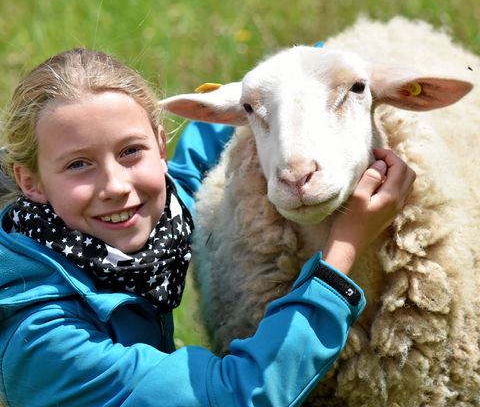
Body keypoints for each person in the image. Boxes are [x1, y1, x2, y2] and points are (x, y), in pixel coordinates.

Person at [0, 48, 415, 407]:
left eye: (130, 151)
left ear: (159, 147)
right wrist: (344, 248)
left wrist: (308, 71)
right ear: (30, 182)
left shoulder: (143, 230)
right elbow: (234, 395)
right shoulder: (44, 337)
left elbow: (192, 169)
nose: (115, 187)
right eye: (78, 165)